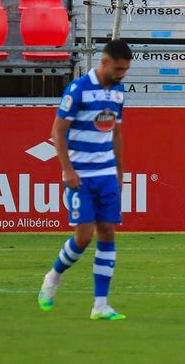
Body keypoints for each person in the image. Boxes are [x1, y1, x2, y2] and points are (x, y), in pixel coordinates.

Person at [37, 39, 132, 320]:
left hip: (105, 173)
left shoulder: (117, 93)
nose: (121, 74)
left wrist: (120, 172)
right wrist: (67, 170)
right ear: (104, 62)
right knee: (84, 235)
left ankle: (100, 305)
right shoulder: (78, 90)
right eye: (118, 68)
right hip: (80, 175)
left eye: (125, 70)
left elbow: (115, 133)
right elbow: (57, 131)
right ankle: (53, 277)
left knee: (107, 232)